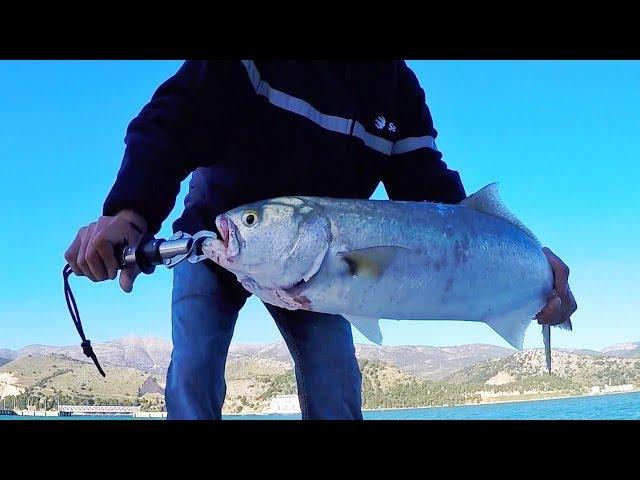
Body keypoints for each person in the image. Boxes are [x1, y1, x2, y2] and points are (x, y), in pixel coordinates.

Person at [64, 61, 577, 420]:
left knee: (335, 381)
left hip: (318, 263)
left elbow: (430, 194)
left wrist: (528, 265)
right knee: (194, 368)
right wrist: (130, 213)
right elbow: (174, 119)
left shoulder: (396, 87)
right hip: (218, 236)